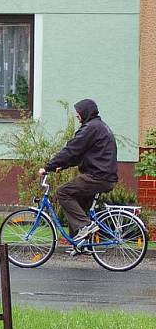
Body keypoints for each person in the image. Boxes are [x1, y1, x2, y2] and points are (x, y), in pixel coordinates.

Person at [38, 98, 118, 241]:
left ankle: (84, 226)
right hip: (105, 176)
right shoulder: (98, 126)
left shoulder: (90, 128)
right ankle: (79, 243)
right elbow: (80, 154)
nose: (76, 115)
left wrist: (47, 166)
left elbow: (71, 150)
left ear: (85, 112)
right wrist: (62, 166)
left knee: (63, 192)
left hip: (97, 176)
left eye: (78, 112)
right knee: (76, 203)